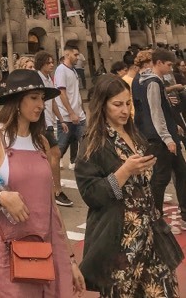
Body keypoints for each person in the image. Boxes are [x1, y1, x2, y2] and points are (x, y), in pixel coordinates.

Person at [0, 68, 85, 296]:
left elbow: (52, 207)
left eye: (42, 98)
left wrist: (70, 259)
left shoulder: (41, 142)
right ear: (16, 101)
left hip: (48, 243)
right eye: (33, 98)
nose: (40, 104)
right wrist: (2, 198)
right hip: (11, 247)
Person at [76, 74, 179, 296]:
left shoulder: (134, 133)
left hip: (151, 233)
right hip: (120, 241)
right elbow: (91, 194)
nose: (124, 110)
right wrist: (124, 171)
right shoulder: (93, 143)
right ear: (102, 106)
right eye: (117, 105)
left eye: (128, 103)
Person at [133, 47, 186, 227]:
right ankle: (156, 216)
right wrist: (168, 137)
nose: (171, 68)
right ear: (159, 63)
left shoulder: (140, 79)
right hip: (160, 137)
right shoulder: (153, 82)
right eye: (169, 65)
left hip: (154, 134)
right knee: (162, 177)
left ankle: (166, 214)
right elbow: (155, 112)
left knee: (177, 173)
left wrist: (173, 126)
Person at [35, 50, 73, 207]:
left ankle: (46, 189)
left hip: (49, 122)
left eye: (52, 62)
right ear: (42, 63)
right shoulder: (37, 79)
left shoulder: (49, 79)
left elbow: (52, 101)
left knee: (47, 157)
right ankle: (56, 191)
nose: (52, 65)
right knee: (54, 155)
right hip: (41, 123)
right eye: (49, 62)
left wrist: (61, 119)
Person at [55, 43, 87, 170]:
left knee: (84, 140)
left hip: (79, 115)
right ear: (67, 54)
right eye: (75, 54)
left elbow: (76, 92)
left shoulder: (73, 70)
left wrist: (81, 109)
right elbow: (62, 93)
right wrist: (71, 112)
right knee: (62, 145)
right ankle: (52, 165)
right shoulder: (61, 70)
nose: (77, 57)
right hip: (67, 116)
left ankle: (78, 163)